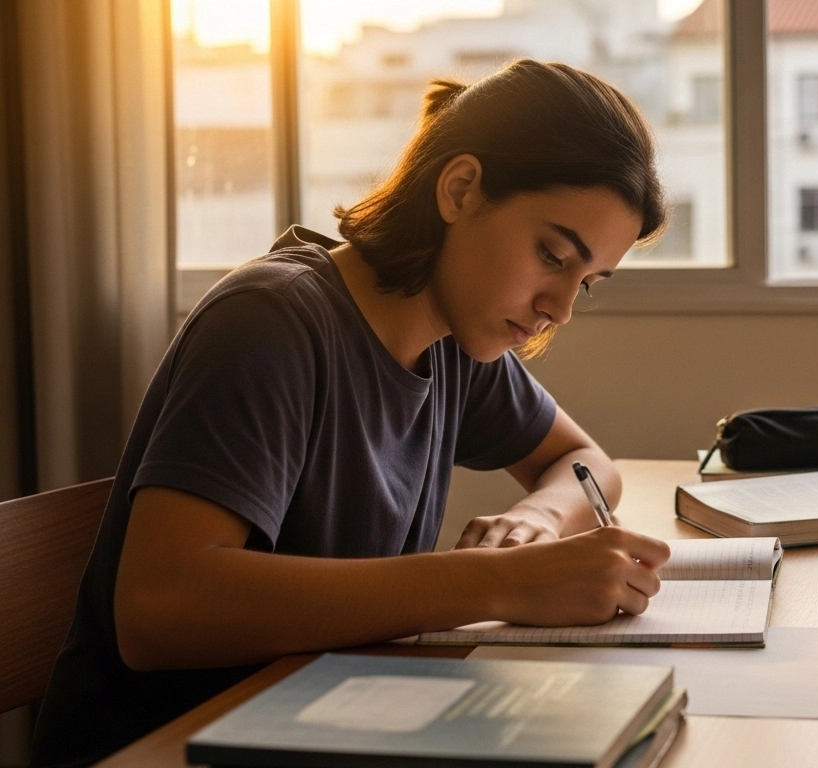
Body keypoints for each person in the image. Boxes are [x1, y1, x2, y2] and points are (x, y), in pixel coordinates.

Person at [30, 59, 673, 767]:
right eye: (551, 255)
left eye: (588, 282)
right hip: (168, 748)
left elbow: (585, 463)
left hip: (327, 726)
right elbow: (159, 608)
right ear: (460, 189)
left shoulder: (456, 343)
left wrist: (539, 521)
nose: (561, 308)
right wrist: (500, 583)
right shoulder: (271, 322)